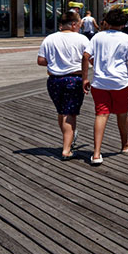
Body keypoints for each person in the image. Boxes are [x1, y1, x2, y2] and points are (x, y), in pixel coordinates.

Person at [82, 8, 128, 165]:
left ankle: (96, 153)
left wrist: (85, 78)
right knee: (122, 114)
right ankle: (124, 144)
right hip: (121, 82)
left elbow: (86, 56)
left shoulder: (97, 37)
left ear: (107, 21)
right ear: (124, 22)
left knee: (101, 115)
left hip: (99, 83)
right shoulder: (127, 39)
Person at [37, 11, 90, 160]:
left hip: (54, 81)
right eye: (79, 25)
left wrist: (56, 63)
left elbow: (41, 60)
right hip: (73, 80)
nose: (80, 27)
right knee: (69, 114)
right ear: (74, 24)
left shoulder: (50, 38)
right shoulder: (82, 39)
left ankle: (68, 139)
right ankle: (66, 150)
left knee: (61, 111)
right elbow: (90, 59)